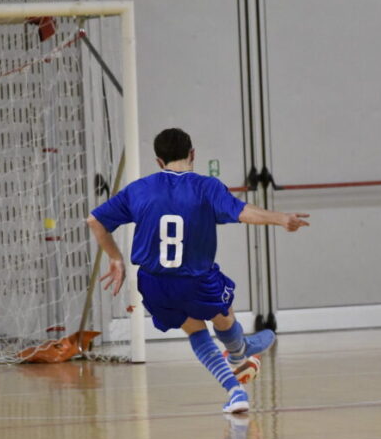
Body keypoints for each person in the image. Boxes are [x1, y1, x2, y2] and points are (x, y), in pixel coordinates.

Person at [88, 128, 310, 413]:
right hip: (195, 279)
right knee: (224, 315)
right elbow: (242, 212)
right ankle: (240, 349)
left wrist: (115, 258)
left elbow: (94, 220)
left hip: (153, 282)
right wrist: (280, 219)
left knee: (195, 331)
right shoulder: (206, 187)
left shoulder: (138, 189)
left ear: (158, 161)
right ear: (193, 154)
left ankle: (235, 391)